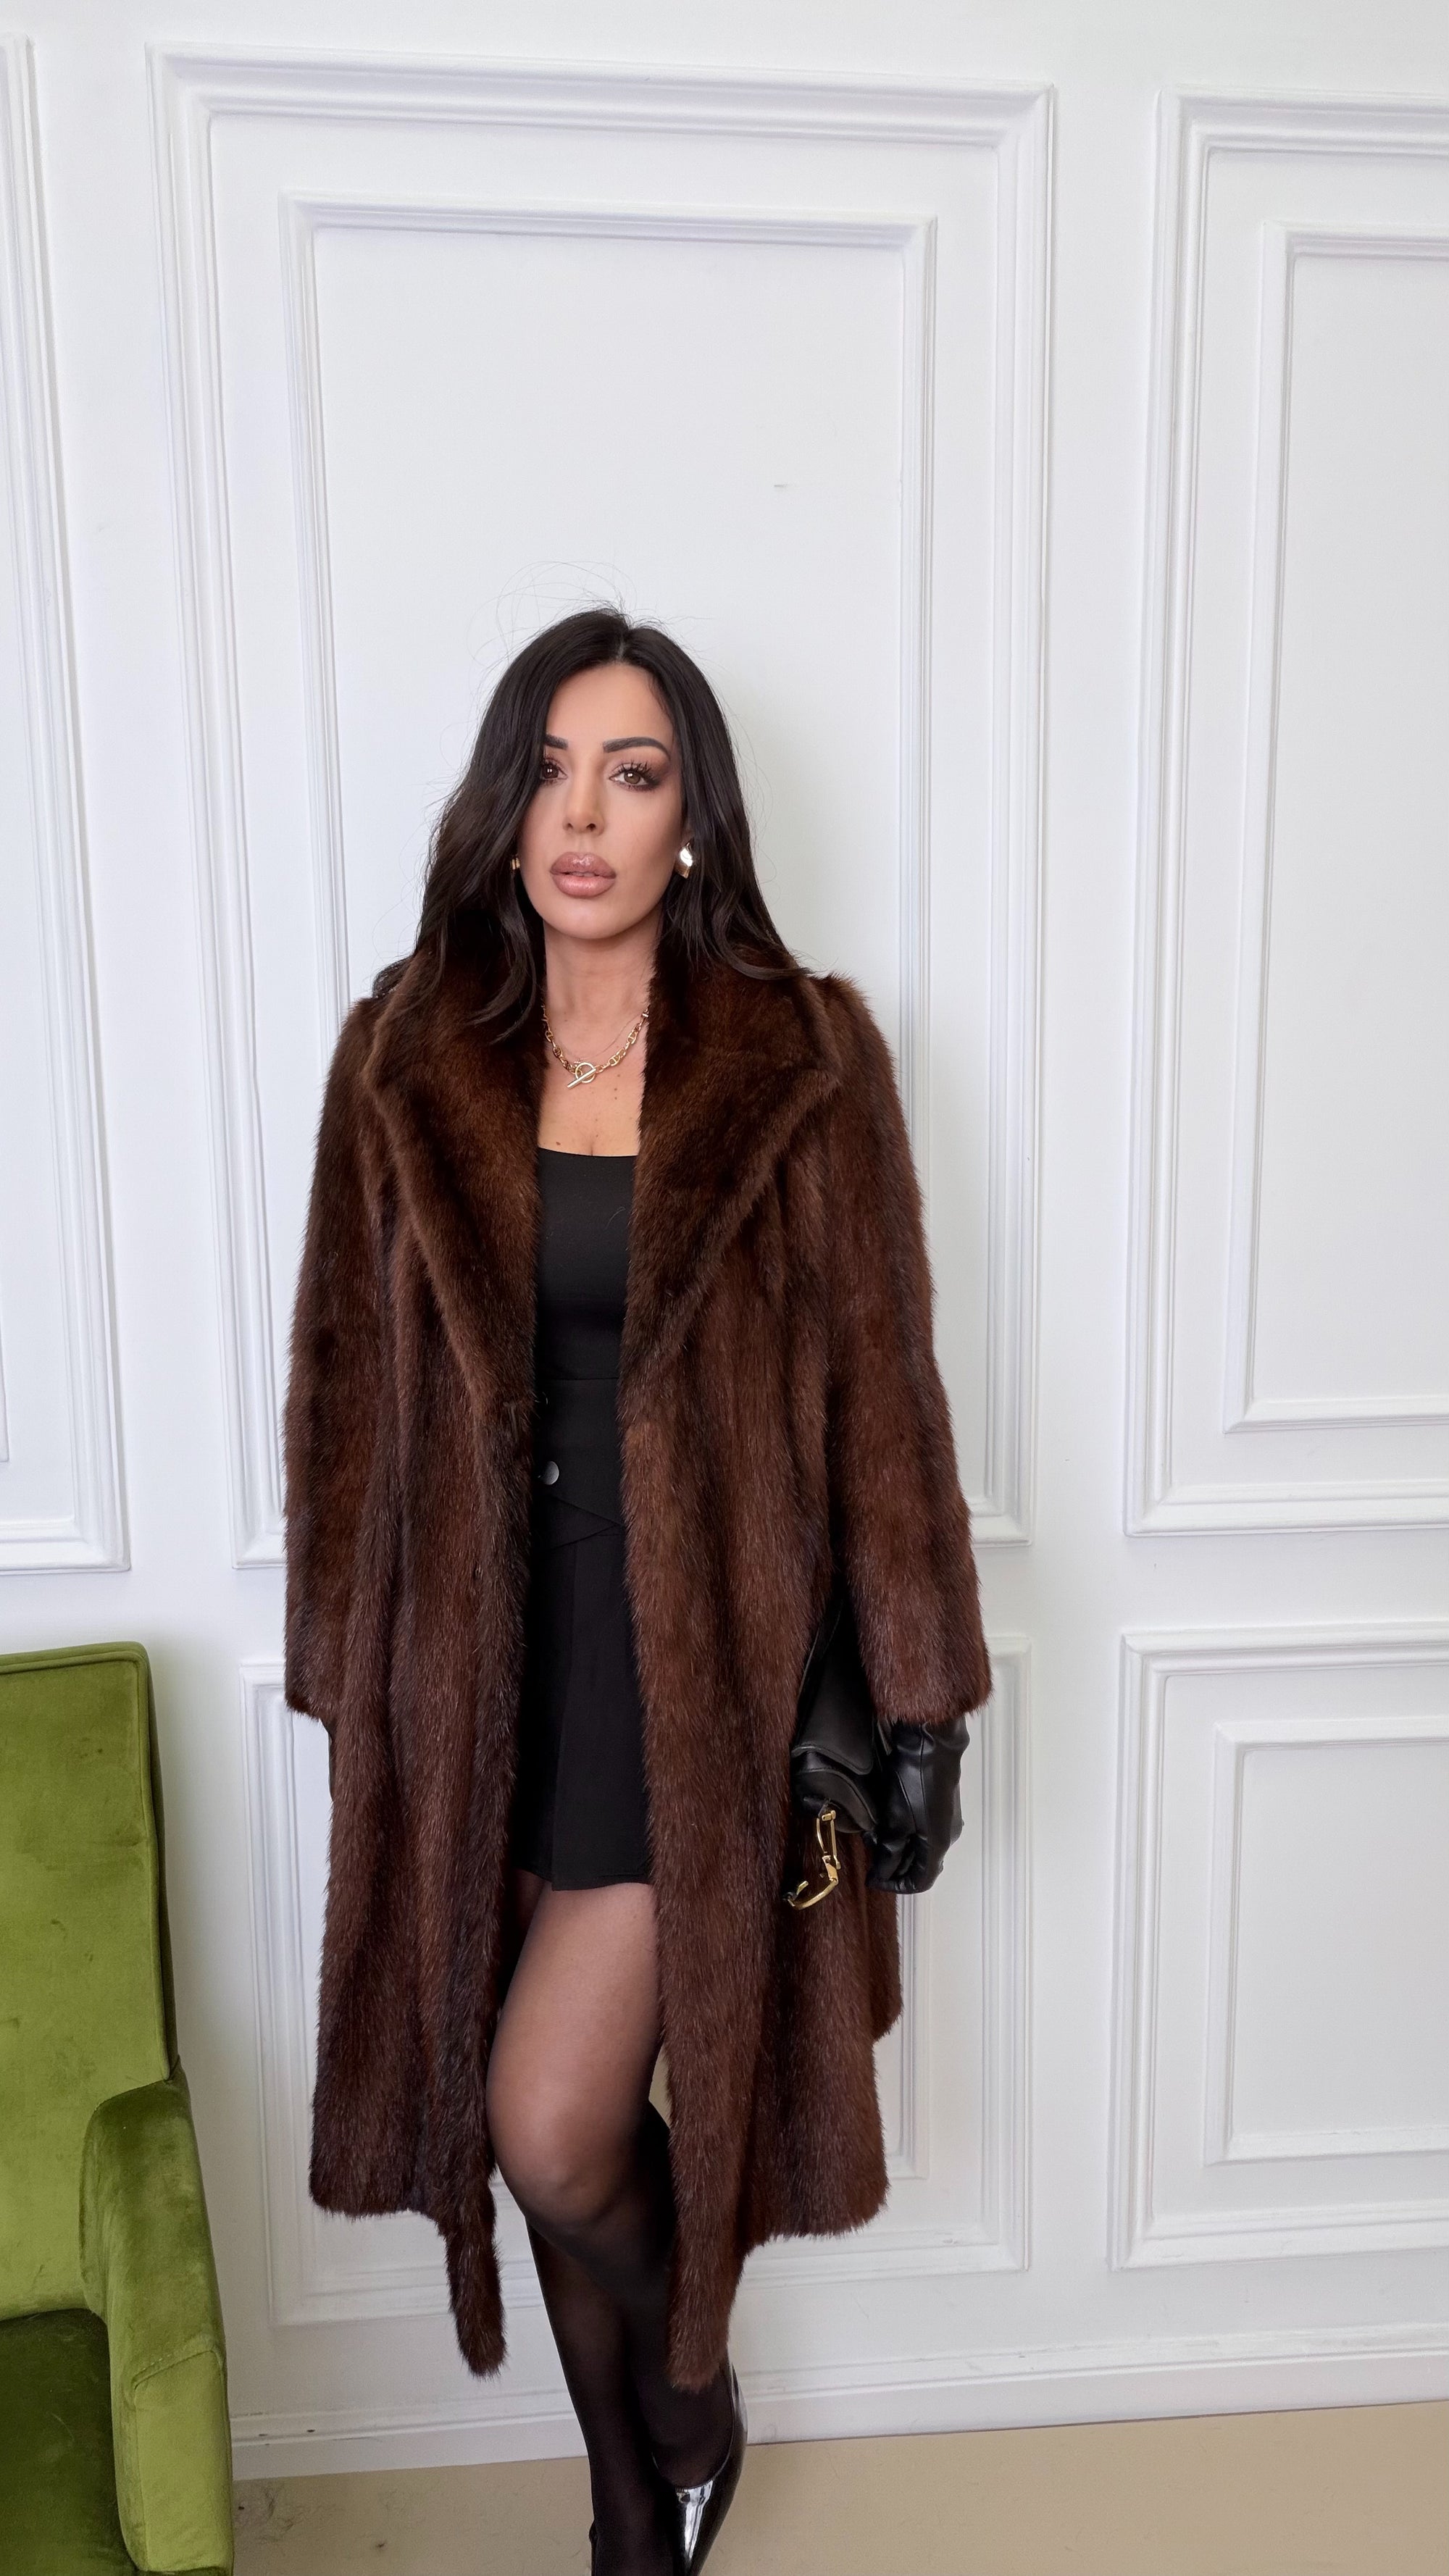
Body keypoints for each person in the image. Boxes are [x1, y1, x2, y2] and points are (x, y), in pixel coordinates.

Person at [283, 607, 990, 2575]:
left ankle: (692, 2406)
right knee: (537, 2132)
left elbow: (884, 1390)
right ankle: (631, 2499)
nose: (583, 816)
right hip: (477, 1661)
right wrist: (353, 1673)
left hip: (697, 1659)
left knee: (553, 2113)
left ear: (695, 820)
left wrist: (920, 1693)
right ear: (503, 806)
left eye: (635, 772)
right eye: (551, 770)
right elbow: (341, 1386)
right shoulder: (404, 1051)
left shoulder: (802, 1055)